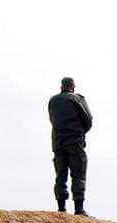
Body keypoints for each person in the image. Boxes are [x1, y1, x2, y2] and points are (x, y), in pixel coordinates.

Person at [48, 77, 92, 216]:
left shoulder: (53, 100)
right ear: (73, 87)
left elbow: (52, 119)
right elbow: (88, 119)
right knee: (78, 173)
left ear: (61, 86)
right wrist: (79, 132)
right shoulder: (77, 99)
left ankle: (61, 208)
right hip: (74, 141)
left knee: (60, 174)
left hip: (58, 142)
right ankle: (79, 209)